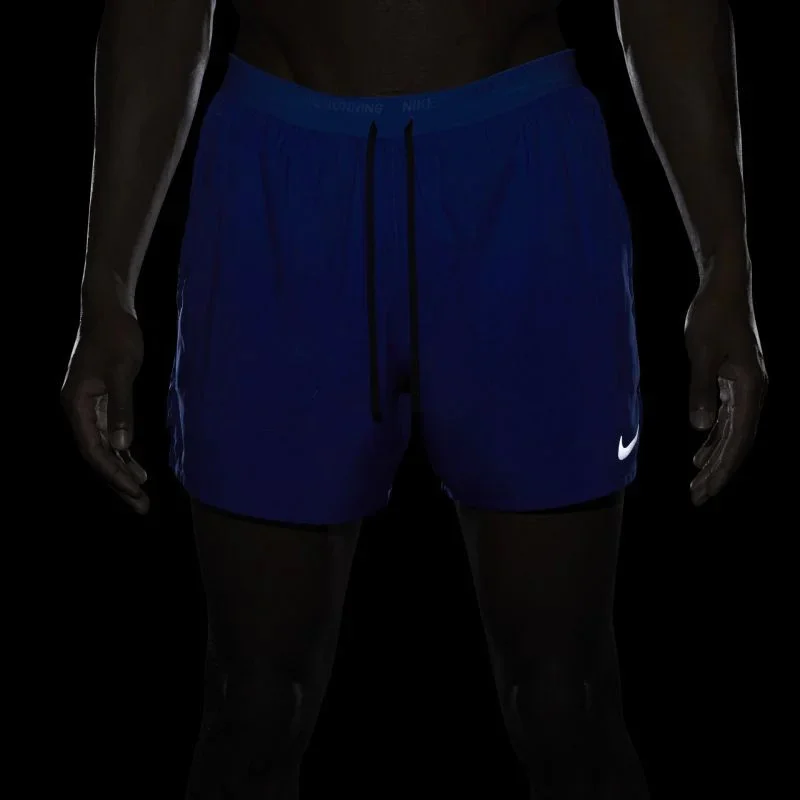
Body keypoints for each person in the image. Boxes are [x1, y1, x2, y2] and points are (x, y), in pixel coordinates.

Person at [60, 0, 767, 797]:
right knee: (254, 704)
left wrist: (725, 267)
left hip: (520, 171)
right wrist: (107, 285)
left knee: (564, 700)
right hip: (280, 177)